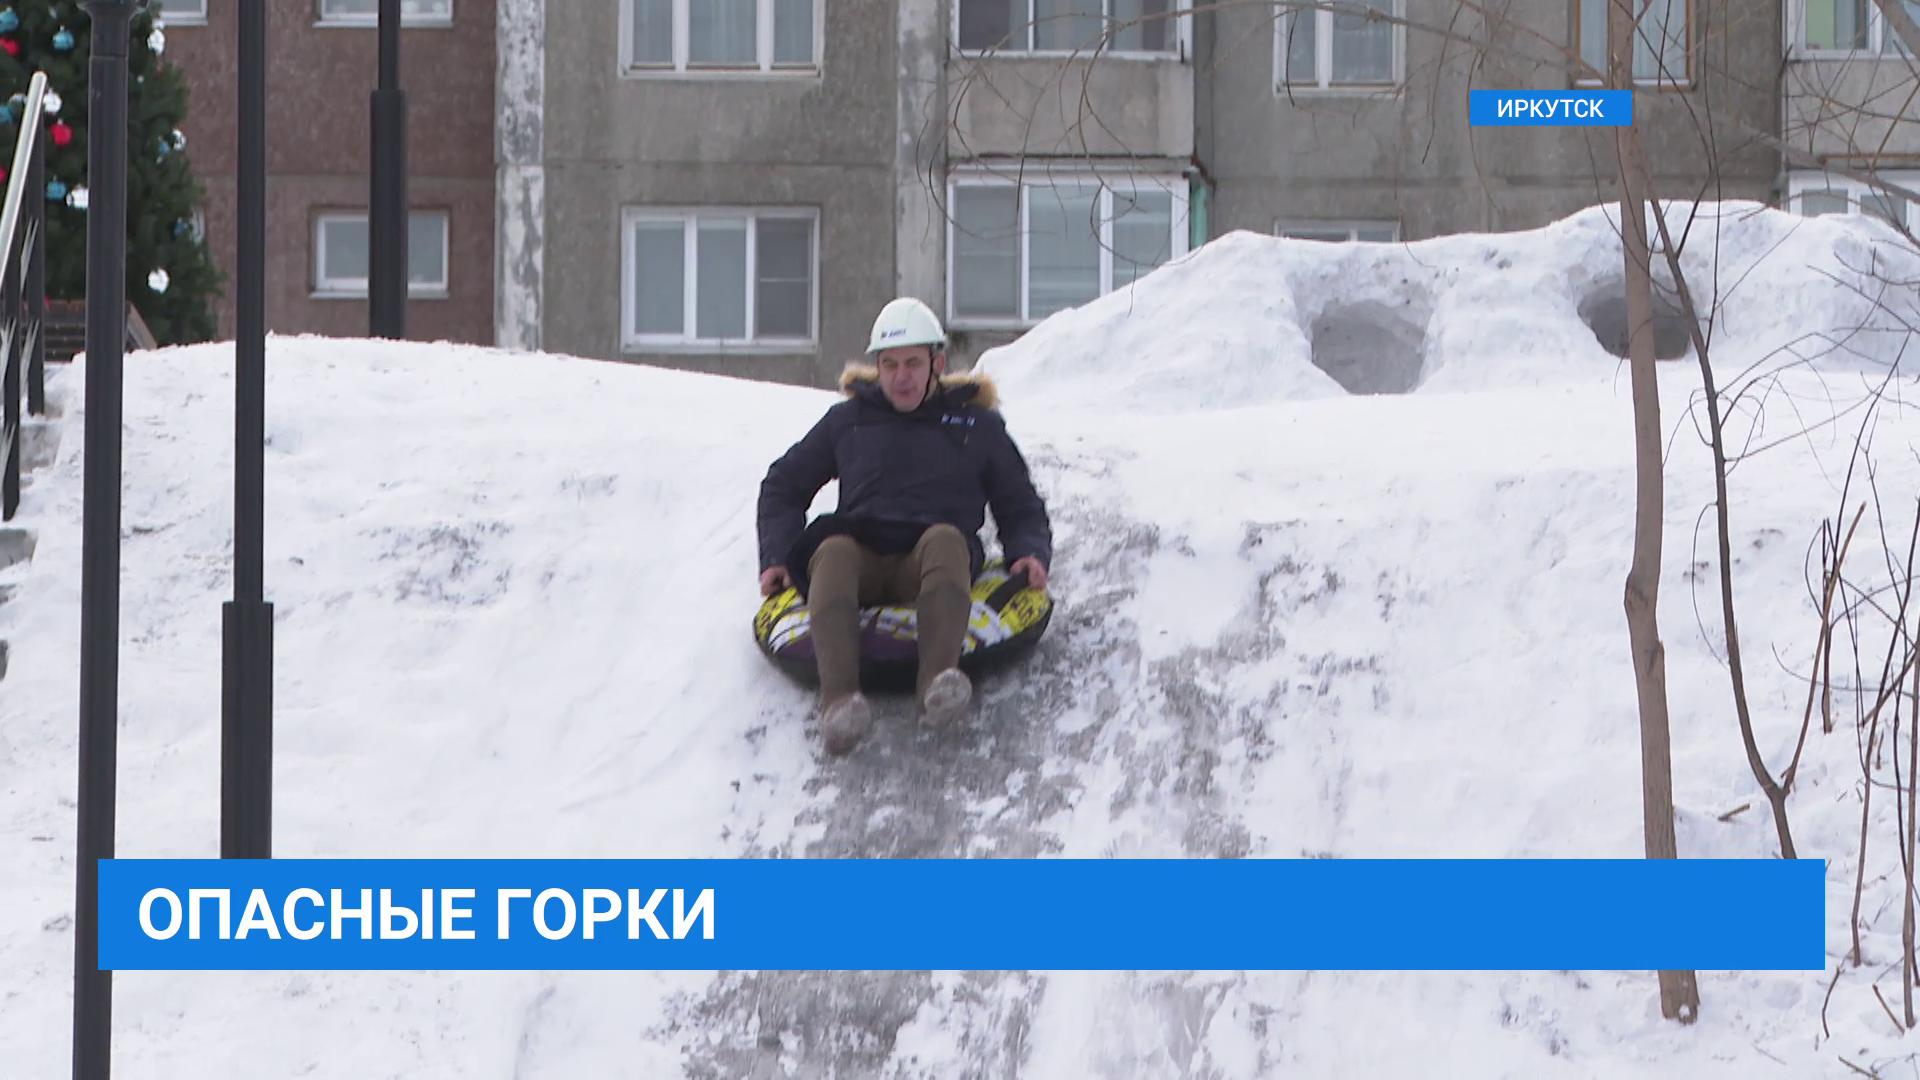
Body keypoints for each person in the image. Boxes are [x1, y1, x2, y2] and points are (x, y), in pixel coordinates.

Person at [757, 297, 1053, 754]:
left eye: (913, 363)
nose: (901, 376)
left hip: (930, 563)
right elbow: (782, 485)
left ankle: (938, 684)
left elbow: (1019, 503)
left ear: (936, 363)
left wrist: (1028, 550)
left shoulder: (977, 426)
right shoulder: (849, 422)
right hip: (863, 559)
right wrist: (776, 556)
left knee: (946, 539)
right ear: (877, 366)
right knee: (832, 549)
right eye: (890, 364)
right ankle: (839, 704)